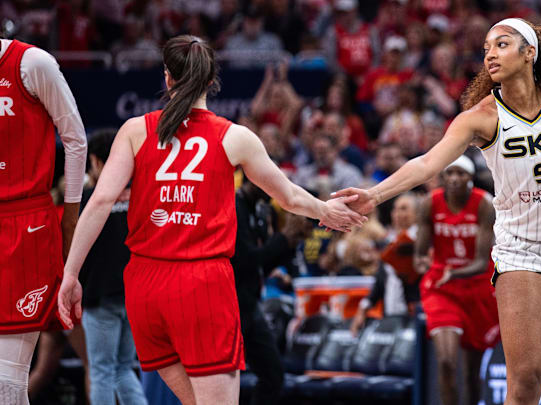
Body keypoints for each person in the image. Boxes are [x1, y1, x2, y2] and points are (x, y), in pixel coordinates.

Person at [334, 18, 541, 404]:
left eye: (502, 44)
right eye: (486, 48)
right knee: (526, 380)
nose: (491, 54)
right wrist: (375, 195)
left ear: (530, 53)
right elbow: (427, 164)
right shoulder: (480, 117)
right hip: (522, 247)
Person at [57, 35, 365, 405]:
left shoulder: (135, 130)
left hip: (144, 286)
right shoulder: (234, 137)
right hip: (200, 284)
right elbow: (289, 196)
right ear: (210, 81)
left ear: (167, 78)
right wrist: (325, 210)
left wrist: (71, 274)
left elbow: (100, 202)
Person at [0, 37, 87, 404]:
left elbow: (76, 140)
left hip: (25, 225)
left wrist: (70, 219)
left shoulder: (32, 63)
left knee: (8, 375)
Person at [415, 155, 499, 405]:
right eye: (449, 173)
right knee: (446, 361)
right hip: (443, 289)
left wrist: (454, 272)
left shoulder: (484, 204)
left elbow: (481, 261)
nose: (453, 179)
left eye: (460, 174)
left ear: (470, 178)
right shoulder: (430, 203)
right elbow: (420, 255)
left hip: (478, 285)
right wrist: (422, 265)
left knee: (472, 372)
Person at [79, 130, 148, 405]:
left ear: (95, 161)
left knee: (102, 372)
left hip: (99, 298)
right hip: (134, 296)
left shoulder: (88, 200)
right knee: (122, 368)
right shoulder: (140, 195)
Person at [230, 179, 312, 405]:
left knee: (273, 376)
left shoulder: (262, 209)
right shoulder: (234, 207)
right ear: (252, 180)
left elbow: (263, 265)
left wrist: (292, 241)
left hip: (250, 303)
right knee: (226, 377)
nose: (274, 189)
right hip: (230, 304)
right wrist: (284, 238)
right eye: (268, 181)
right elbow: (246, 261)